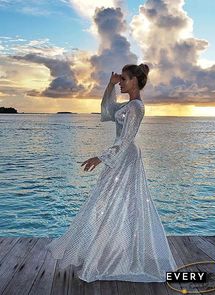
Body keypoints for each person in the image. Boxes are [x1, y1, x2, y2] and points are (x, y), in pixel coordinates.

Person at [45, 63, 178, 283]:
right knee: (107, 201)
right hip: (121, 156)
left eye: (124, 79)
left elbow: (126, 140)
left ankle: (118, 255)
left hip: (125, 157)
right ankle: (111, 250)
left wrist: (101, 158)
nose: (121, 83)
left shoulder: (136, 107)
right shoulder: (128, 106)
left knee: (118, 202)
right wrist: (110, 84)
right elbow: (107, 110)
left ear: (135, 80)